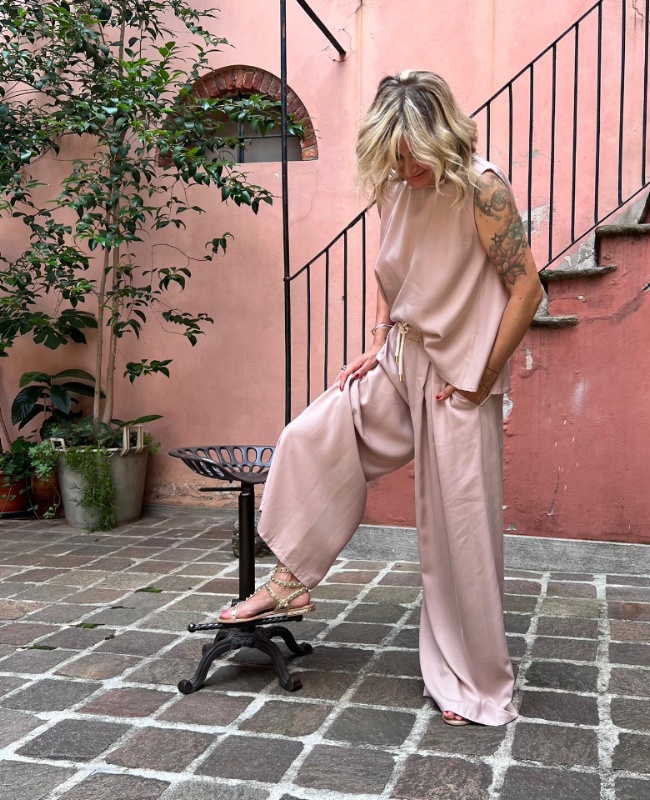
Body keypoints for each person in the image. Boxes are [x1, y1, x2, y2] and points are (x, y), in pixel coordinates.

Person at [218, 70, 543, 727]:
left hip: (462, 377)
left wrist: (482, 377)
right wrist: (377, 338)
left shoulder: (481, 187)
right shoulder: (394, 187)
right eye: (393, 156)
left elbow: (527, 290)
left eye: (413, 154)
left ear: (441, 136)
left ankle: (474, 682)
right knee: (312, 434)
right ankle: (290, 581)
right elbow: (387, 271)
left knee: (458, 535)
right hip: (402, 360)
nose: (405, 168)